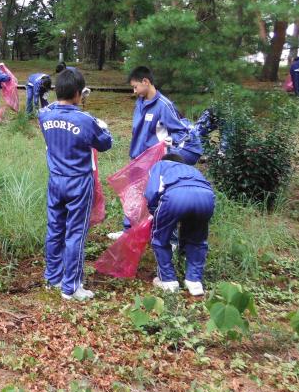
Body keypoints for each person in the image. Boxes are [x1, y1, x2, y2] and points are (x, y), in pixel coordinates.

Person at [39, 68, 112, 301]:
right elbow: (105, 143)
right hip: (79, 182)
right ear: (79, 93)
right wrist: (102, 125)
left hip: (56, 180)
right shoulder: (85, 120)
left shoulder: (45, 115)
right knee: (76, 233)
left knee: (55, 228)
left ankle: (53, 277)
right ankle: (71, 287)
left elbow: (49, 108)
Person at [108, 66, 189, 240]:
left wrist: (170, 143)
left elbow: (181, 132)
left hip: (155, 163)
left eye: (135, 86)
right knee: (133, 195)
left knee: (157, 198)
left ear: (146, 82)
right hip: (137, 158)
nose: (134, 90)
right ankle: (129, 231)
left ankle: (167, 237)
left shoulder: (164, 106)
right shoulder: (140, 102)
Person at [144, 153, 215, 296]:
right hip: (206, 197)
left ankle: (168, 281)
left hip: (176, 196)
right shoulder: (192, 170)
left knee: (160, 239)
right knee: (197, 240)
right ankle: (194, 282)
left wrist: (156, 213)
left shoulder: (160, 165)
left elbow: (151, 192)